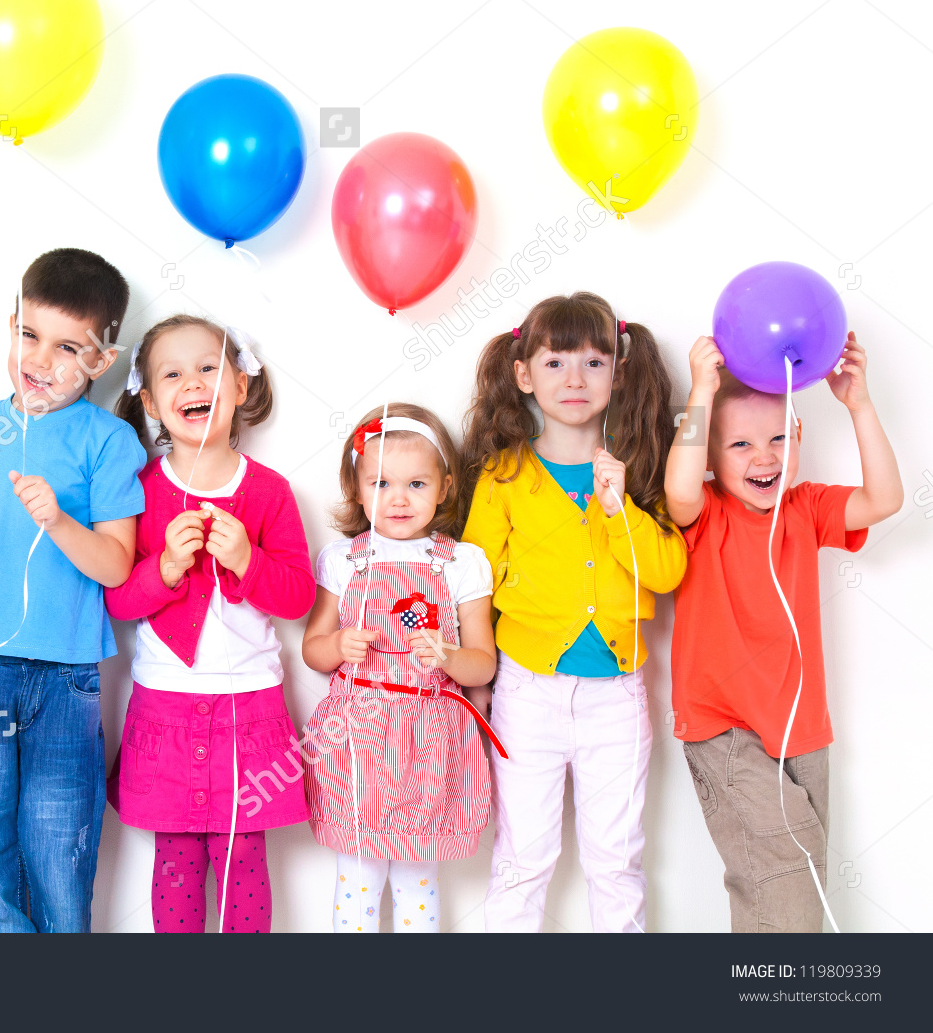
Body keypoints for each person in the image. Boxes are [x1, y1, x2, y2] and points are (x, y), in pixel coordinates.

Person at [461, 293, 686, 932]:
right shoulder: (505, 476)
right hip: (526, 691)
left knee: (615, 861)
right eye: (556, 363)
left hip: (616, 698)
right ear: (524, 375)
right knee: (522, 858)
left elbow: (667, 572)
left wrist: (621, 513)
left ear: (618, 371)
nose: (576, 380)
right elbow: (471, 581)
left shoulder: (641, 469)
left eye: (594, 362)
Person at [664, 331, 901, 931]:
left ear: (798, 438)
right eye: (740, 444)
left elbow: (885, 498)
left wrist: (860, 405)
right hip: (726, 729)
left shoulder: (807, 507)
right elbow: (679, 488)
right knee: (783, 883)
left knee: (802, 886)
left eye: (776, 438)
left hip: (803, 730)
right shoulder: (704, 510)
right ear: (712, 457)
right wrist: (700, 394)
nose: (763, 456)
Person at [0, 248, 145, 932]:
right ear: (10, 325)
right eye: (29, 335)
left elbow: (117, 565)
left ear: (100, 361)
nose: (41, 359)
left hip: (66, 676)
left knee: (59, 842)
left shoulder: (108, 442)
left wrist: (57, 518)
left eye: (67, 348)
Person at [108, 316, 313, 932]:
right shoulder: (139, 492)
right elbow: (118, 602)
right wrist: (166, 567)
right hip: (166, 706)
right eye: (172, 373)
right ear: (148, 401)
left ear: (241, 386)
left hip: (250, 709)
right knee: (175, 860)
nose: (192, 382)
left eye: (207, 367)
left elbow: (299, 597)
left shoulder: (271, 493)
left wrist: (249, 561)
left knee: (244, 856)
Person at [301, 403, 497, 932]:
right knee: (358, 875)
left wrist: (450, 657)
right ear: (357, 488)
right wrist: (339, 644)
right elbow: (312, 650)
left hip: (429, 738)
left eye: (416, 483)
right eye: (381, 482)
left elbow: (483, 665)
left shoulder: (461, 562)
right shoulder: (344, 560)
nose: (398, 498)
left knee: (416, 877)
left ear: (445, 486)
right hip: (358, 738)